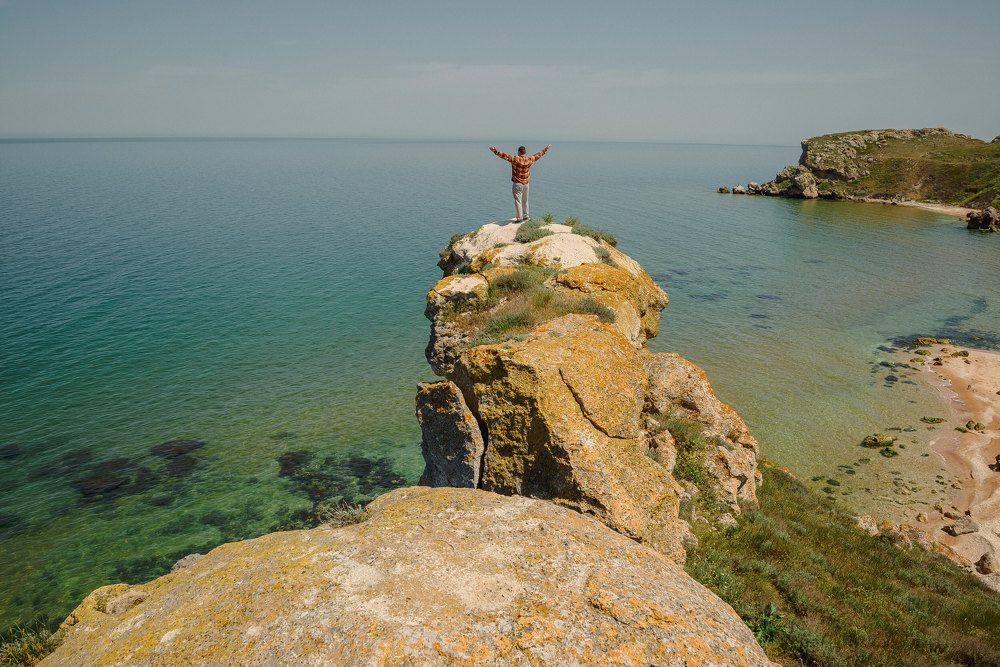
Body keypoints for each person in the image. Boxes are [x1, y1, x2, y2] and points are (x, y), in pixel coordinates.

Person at [489, 144, 550, 222]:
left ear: (518, 152)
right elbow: (539, 155)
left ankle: (519, 218)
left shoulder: (515, 159)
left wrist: (494, 150)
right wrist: (546, 149)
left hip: (517, 184)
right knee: (525, 201)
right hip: (526, 184)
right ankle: (526, 216)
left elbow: (504, 155)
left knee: (518, 201)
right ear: (525, 152)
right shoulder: (529, 159)